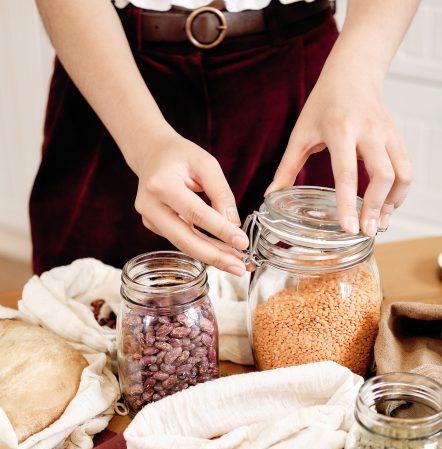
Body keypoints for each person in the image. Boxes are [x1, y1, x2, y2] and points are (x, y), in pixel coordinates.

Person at [31, 0, 418, 276]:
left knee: (316, 302)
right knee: (92, 317)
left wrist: (358, 73)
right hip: (112, 77)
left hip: (306, 81)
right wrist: (145, 142)